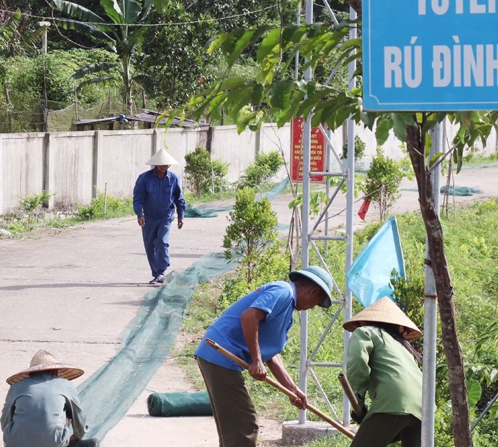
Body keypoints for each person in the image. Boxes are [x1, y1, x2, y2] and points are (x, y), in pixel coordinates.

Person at [194, 266, 334, 447]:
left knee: (235, 427)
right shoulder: (283, 291)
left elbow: (270, 353)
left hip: (217, 358)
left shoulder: (287, 306)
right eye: (317, 301)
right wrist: (256, 360)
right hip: (220, 353)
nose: (312, 307)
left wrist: (292, 389)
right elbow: (249, 317)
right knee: (243, 425)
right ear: (313, 290)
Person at [343, 296, 423, 447]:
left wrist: (358, 400)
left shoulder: (365, 332)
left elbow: (358, 362)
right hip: (422, 408)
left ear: (365, 320)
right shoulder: (404, 346)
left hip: (394, 401)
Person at [1, 350, 97, 447]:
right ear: (55, 370)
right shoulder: (65, 385)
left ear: (30, 373)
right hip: (53, 442)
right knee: (67, 412)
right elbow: (78, 416)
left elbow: (5, 420)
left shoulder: (16, 387)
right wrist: (77, 436)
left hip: (15, 442)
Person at [132, 148, 186, 284]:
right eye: (161, 165)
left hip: (166, 215)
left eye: (167, 165)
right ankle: (157, 274)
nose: (164, 167)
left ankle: (162, 270)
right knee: (150, 245)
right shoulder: (144, 178)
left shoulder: (173, 178)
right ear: (156, 165)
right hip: (149, 216)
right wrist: (140, 214)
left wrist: (181, 216)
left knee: (162, 240)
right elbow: (138, 198)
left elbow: (179, 198)